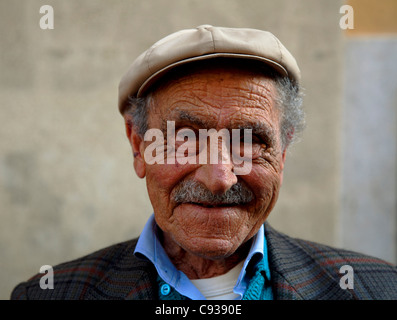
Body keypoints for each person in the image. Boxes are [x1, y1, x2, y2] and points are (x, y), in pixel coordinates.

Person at [11, 25, 397, 300]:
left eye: (249, 141)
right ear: (138, 146)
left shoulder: (379, 289)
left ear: (281, 153)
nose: (219, 178)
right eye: (185, 139)